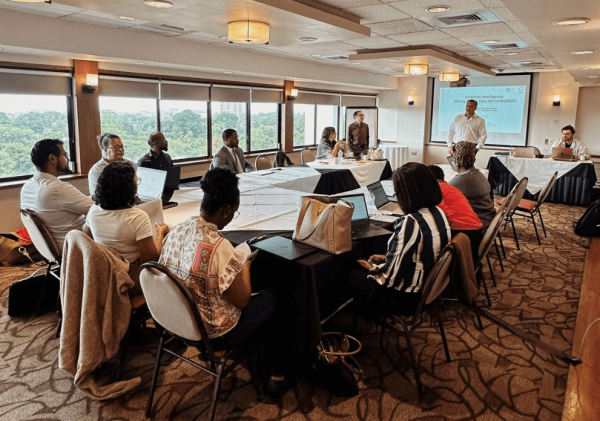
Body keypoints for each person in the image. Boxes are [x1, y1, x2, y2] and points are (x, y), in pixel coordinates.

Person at [159, 167, 291, 396]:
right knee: (276, 298)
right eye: (234, 213)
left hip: (175, 322)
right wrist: (245, 265)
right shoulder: (219, 247)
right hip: (212, 333)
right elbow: (241, 301)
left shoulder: (176, 230)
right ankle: (277, 376)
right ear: (227, 210)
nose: (232, 218)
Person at [349, 162, 451, 315]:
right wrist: (386, 259)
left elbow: (389, 280)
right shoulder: (439, 213)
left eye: (397, 193)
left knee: (348, 274)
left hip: (404, 298)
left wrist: (372, 269)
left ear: (408, 194)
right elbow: (420, 253)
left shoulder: (411, 223)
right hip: (424, 288)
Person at [85, 161, 168, 294]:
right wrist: (161, 234)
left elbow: (86, 237)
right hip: (130, 277)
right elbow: (151, 259)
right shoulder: (137, 217)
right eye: (137, 181)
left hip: (105, 275)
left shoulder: (93, 211)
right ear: (130, 187)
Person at [21, 138, 94, 254]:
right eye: (65, 155)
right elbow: (98, 209)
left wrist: (95, 197)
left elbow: (85, 202)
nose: (68, 159)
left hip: (51, 249)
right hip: (76, 246)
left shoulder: (28, 186)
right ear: (53, 158)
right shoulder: (57, 189)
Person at [428, 164, 483, 263]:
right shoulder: (452, 188)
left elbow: (440, 216)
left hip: (463, 234)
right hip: (476, 231)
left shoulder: (438, 190)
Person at [448, 142, 496, 231]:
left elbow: (440, 196)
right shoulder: (478, 174)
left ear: (456, 159)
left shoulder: (462, 180)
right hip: (487, 220)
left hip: (475, 228)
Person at [137, 131, 176, 202]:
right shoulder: (143, 161)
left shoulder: (167, 157)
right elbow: (142, 185)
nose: (166, 141)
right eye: (164, 139)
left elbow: (171, 177)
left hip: (166, 195)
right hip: (150, 199)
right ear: (156, 143)